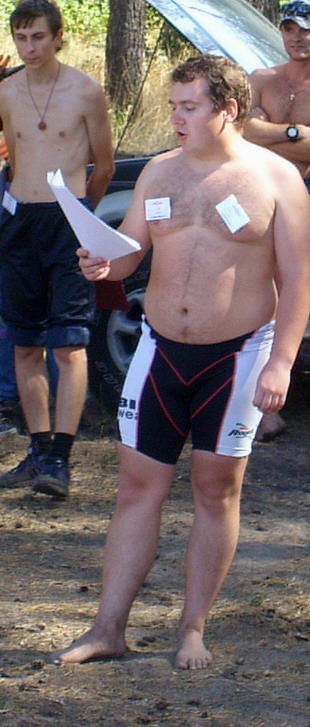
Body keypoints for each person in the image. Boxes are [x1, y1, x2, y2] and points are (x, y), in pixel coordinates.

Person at [51, 54, 310, 669]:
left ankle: (192, 629)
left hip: (238, 354)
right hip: (160, 347)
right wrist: (102, 264)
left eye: (189, 107)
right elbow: (129, 254)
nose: (176, 117)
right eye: (173, 106)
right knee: (136, 488)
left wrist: (281, 363)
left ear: (228, 110)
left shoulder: (277, 179)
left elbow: (299, 280)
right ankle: (107, 629)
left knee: (215, 490)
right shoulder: (159, 172)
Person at [0, 0, 114, 497]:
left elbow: (104, 165)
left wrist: (82, 217)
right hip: (19, 222)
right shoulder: (6, 91)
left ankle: (61, 459)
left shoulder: (86, 90)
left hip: (69, 221)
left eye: (39, 37)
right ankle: (38, 449)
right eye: (21, 38)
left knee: (68, 343)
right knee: (25, 341)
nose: (30, 47)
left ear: (58, 37)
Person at [243, 0, 310, 443]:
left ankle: (270, 403)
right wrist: (295, 131)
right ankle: (242, 395)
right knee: (247, 287)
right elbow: (241, 131)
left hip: (303, 193)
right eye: (289, 29)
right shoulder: (261, 79)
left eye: (306, 30)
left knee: (287, 290)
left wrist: (268, 134)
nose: (296, 37)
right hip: (254, 191)